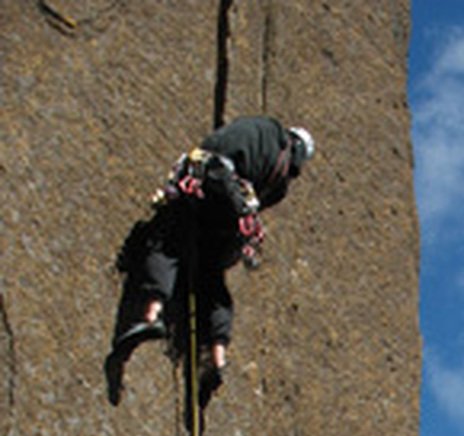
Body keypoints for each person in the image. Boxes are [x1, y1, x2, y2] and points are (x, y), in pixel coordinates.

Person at [106, 116, 314, 406]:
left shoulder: (265, 131)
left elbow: (218, 146)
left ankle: (150, 315)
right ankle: (217, 357)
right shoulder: (282, 181)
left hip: (214, 184)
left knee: (168, 240)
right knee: (212, 278)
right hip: (234, 220)